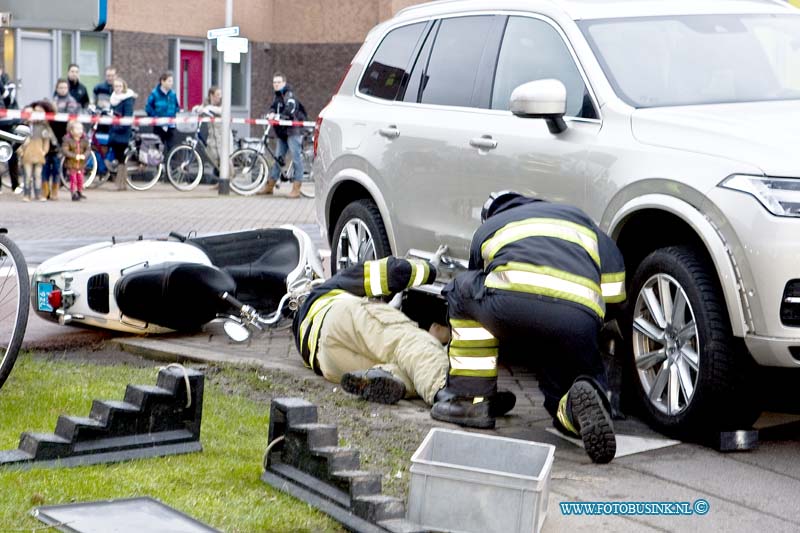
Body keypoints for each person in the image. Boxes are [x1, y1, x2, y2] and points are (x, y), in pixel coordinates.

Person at [431, 191, 627, 464]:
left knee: (461, 291)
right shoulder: (582, 223)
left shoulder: (490, 226)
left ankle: (471, 401)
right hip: (577, 319)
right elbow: (616, 294)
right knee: (562, 392)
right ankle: (573, 407)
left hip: (512, 308)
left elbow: (480, 282)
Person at [294, 256, 515, 415]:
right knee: (410, 342)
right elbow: (392, 272)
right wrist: (429, 269)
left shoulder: (302, 331)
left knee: (409, 366)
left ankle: (381, 376)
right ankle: (459, 397)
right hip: (342, 319)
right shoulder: (330, 289)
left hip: (327, 362)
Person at [263, 72, 306, 198]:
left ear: (284, 83)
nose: (276, 84)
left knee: (296, 158)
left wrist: (277, 116)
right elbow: (272, 108)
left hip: (293, 131)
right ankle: (269, 187)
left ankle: (296, 189)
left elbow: (290, 110)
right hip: (282, 132)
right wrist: (270, 113)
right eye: (274, 82)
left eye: (278, 82)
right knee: (278, 158)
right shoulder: (277, 96)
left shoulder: (289, 95)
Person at [17, 103, 54, 202]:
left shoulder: (42, 127)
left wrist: (44, 151)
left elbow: (46, 141)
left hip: (38, 154)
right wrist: (20, 152)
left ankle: (38, 194)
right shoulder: (22, 128)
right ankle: (27, 194)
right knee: (27, 176)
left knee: (38, 175)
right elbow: (18, 142)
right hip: (27, 155)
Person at [108, 78, 136, 190]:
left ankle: (120, 183)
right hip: (114, 130)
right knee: (118, 156)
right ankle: (121, 183)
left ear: (123, 87)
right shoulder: (113, 98)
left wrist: (119, 125)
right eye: (116, 86)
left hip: (122, 131)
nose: (117, 88)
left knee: (121, 157)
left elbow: (128, 116)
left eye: (120, 86)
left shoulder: (127, 100)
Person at [145, 71, 180, 154]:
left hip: (171, 125)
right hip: (159, 126)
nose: (171, 83)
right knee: (158, 148)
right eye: (169, 81)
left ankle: (172, 166)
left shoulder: (173, 94)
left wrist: (175, 114)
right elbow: (148, 108)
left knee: (172, 148)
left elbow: (177, 106)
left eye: (172, 81)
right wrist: (155, 117)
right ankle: (159, 166)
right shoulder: (155, 94)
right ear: (162, 81)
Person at [192, 86, 222, 173]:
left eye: (220, 94)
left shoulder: (222, 102)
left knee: (223, 156)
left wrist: (208, 108)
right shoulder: (206, 103)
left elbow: (220, 110)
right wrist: (197, 109)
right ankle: (219, 178)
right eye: (218, 94)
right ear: (211, 95)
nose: (220, 96)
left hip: (221, 134)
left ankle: (229, 178)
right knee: (210, 153)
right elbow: (200, 108)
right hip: (212, 133)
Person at [37, 99, 61, 200]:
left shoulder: (56, 122)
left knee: (56, 171)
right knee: (45, 171)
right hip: (44, 151)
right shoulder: (38, 124)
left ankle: (55, 190)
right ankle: (45, 191)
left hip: (55, 151)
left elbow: (61, 134)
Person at [62, 120, 90, 201]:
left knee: (80, 179)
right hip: (72, 164)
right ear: (71, 131)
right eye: (77, 129)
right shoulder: (67, 140)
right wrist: (75, 156)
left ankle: (80, 191)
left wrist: (84, 156)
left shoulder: (84, 140)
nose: (80, 131)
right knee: (73, 179)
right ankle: (73, 193)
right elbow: (65, 150)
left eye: (81, 129)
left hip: (81, 164)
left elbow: (88, 149)